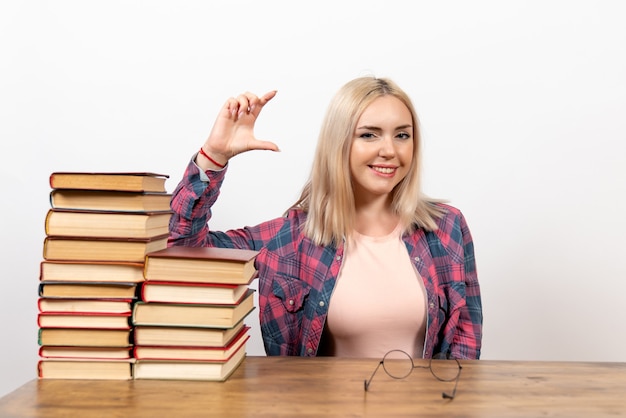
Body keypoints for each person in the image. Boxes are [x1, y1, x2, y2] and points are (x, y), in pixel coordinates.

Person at [168, 76, 483, 360]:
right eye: (369, 135)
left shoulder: (447, 229)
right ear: (339, 143)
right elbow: (182, 251)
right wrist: (214, 156)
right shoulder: (290, 240)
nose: (389, 149)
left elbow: (464, 348)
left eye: (402, 135)